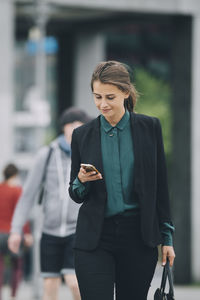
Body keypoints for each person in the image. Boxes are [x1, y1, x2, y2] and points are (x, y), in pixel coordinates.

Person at [68, 61, 176, 300]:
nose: (102, 104)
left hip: (138, 238)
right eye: (97, 97)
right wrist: (81, 179)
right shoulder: (82, 135)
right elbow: (75, 194)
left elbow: (159, 187)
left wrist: (166, 239)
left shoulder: (150, 128)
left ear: (126, 93)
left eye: (110, 97)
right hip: (95, 240)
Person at [8, 107, 91, 300]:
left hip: (76, 230)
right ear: (66, 127)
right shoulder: (46, 155)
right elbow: (28, 194)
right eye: (76, 125)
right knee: (49, 284)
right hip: (49, 230)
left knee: (74, 281)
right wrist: (16, 229)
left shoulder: (87, 154)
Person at [0, 163, 32, 300]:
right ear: (15, 175)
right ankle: (13, 296)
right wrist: (27, 233)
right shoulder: (17, 190)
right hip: (13, 233)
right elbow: (21, 214)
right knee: (17, 266)